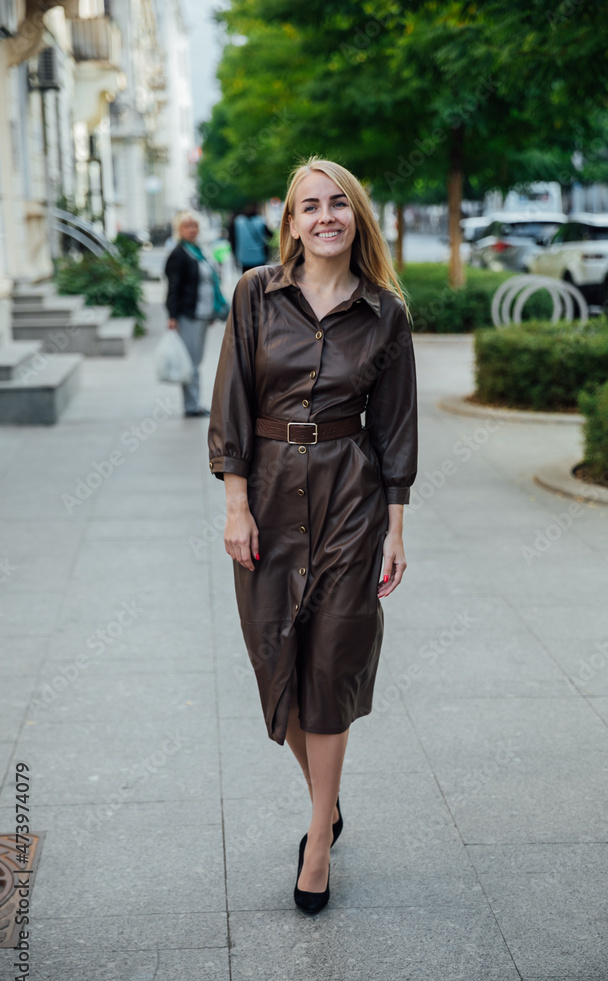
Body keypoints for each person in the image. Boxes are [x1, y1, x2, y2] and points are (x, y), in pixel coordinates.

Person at [208, 157, 418, 914]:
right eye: (309, 206)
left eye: (338, 204)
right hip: (265, 493)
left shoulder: (384, 313)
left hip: (350, 500)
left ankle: (318, 840)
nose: (325, 216)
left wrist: (394, 528)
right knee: (279, 667)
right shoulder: (254, 295)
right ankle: (324, 800)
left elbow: (394, 426)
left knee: (331, 666)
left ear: (356, 215)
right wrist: (236, 503)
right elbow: (230, 400)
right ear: (290, 221)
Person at [165, 211, 228, 417]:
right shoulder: (179, 254)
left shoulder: (199, 251)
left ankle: (194, 402)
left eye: (194, 226)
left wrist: (210, 312)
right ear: (179, 230)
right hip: (188, 314)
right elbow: (173, 288)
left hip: (202, 314)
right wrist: (173, 316)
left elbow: (210, 282)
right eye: (187, 226)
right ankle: (192, 406)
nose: (192, 230)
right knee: (190, 362)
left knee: (196, 360)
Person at [230, 202, 273, 272]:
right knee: (260, 280)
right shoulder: (260, 220)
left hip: (244, 258)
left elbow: (232, 240)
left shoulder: (237, 221)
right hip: (260, 257)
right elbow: (270, 235)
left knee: (247, 281)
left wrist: (235, 255)